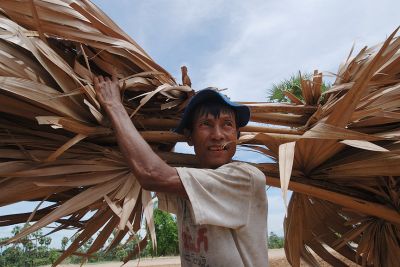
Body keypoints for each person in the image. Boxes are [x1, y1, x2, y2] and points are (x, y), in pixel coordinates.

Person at [94, 75, 268, 266]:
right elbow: (150, 163)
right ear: (189, 137)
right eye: (206, 124)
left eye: (227, 124)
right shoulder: (187, 181)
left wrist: (114, 106)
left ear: (237, 135)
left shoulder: (245, 178)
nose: (218, 135)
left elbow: (151, 173)